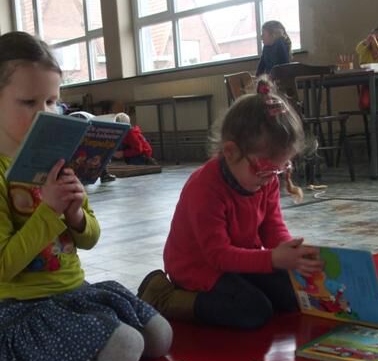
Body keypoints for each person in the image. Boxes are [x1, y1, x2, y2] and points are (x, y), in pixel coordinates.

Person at [0, 31, 172, 361]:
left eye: (52, 101)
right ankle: (19, 354)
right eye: (29, 102)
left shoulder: (62, 161)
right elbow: (1, 266)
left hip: (76, 294)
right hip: (26, 310)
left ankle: (71, 354)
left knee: (159, 337)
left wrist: (75, 215)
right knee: (126, 346)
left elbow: (90, 239)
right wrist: (49, 210)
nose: (44, 114)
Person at [138, 78, 323, 330]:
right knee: (253, 310)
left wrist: (290, 252)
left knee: (293, 295)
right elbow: (218, 255)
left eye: (278, 170)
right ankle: (164, 297)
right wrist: (273, 259)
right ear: (230, 152)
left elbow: (272, 227)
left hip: (237, 261)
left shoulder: (263, 179)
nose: (270, 179)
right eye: (265, 170)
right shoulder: (205, 187)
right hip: (198, 267)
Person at [355, 26, 378, 110]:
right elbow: (358, 49)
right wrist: (366, 42)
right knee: (364, 104)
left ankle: (377, 112)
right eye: (376, 40)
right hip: (366, 81)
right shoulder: (365, 51)